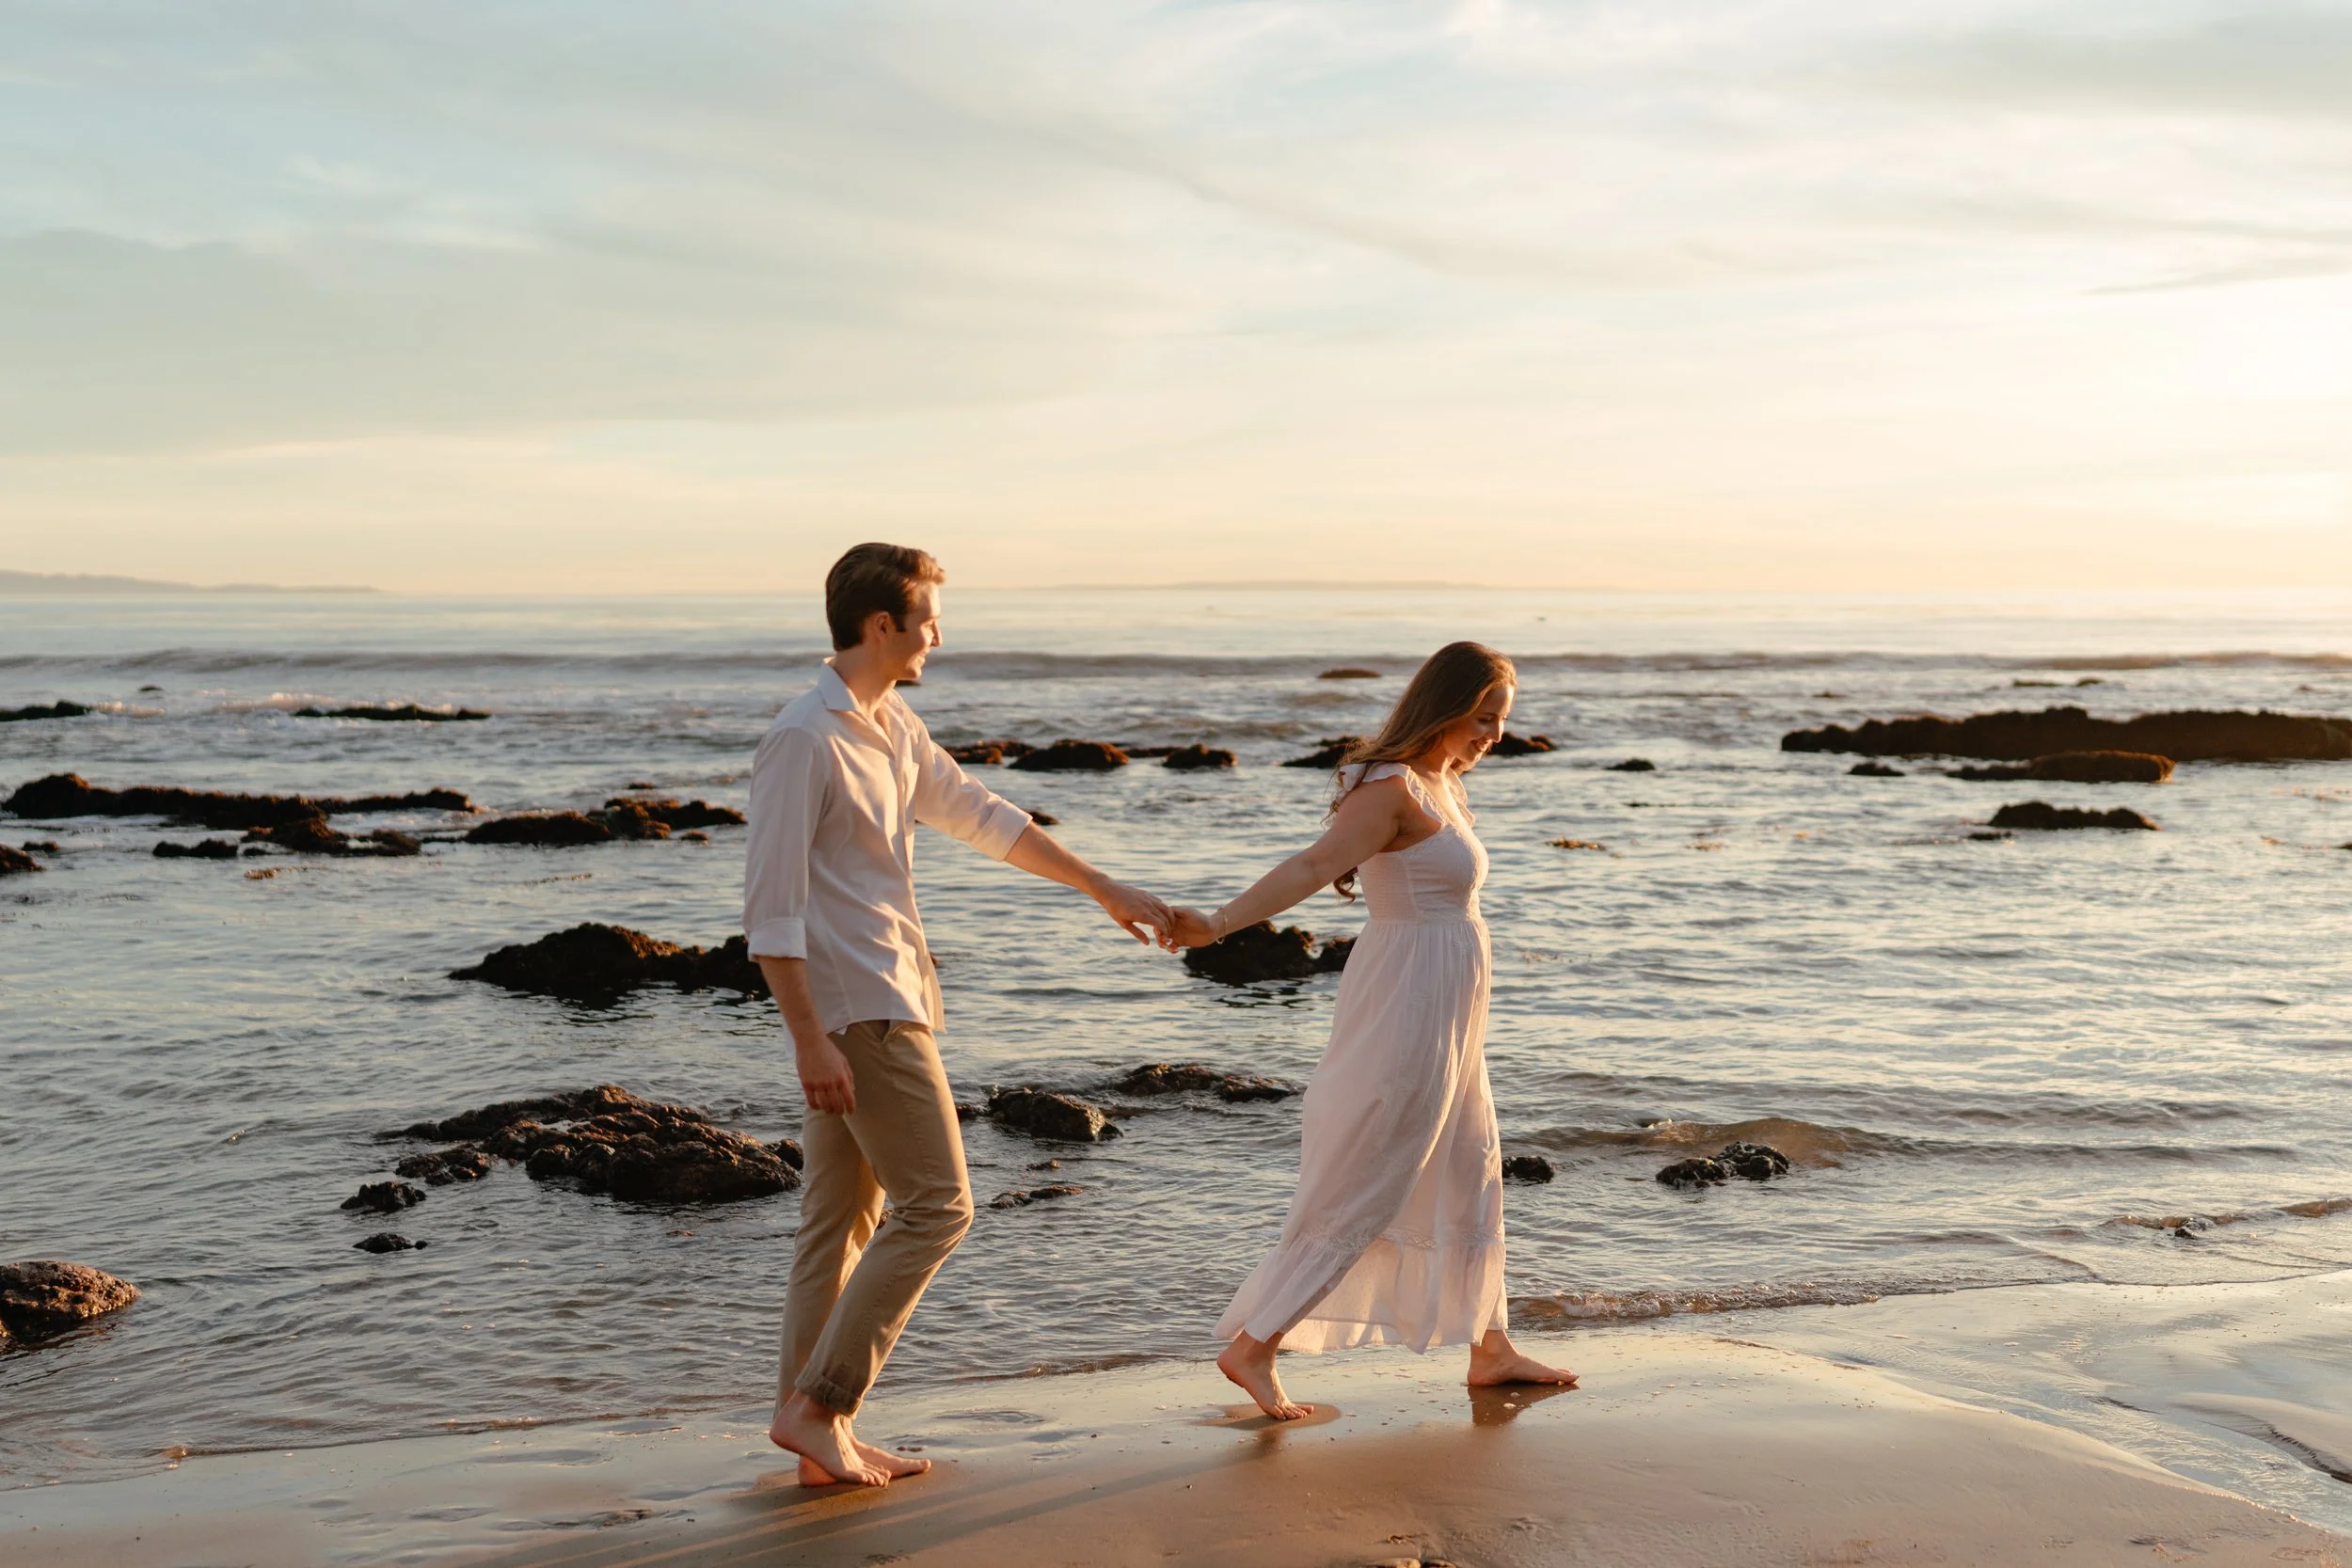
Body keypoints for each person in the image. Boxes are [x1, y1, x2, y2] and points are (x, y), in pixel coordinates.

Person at [746, 543, 1174, 1487]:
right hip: (858, 1007)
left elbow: (986, 816)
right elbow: (771, 910)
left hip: (887, 993)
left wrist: (1103, 887)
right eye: (927, 616)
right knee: (940, 1203)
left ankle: (813, 1431)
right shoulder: (803, 739)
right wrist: (808, 1037)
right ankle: (820, 1406)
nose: (940, 632)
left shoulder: (889, 725)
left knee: (841, 1219)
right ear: (879, 625)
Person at [1169, 641, 1577, 1419]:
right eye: (1485, 717)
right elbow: (1311, 866)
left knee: (1470, 1160)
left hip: (1451, 1006)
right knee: (1377, 1169)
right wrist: (1215, 924)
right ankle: (1254, 1343)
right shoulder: (1387, 789)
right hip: (1408, 1005)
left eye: (1502, 720)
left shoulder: (1441, 784)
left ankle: (1491, 1348)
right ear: (1447, 706)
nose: (1495, 734)